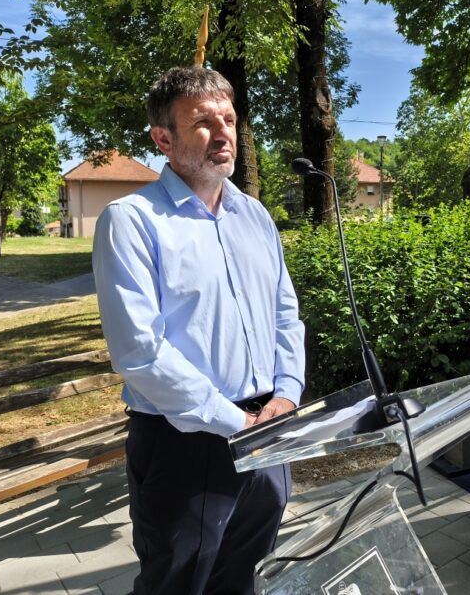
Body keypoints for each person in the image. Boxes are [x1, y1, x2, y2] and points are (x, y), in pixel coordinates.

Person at [93, 66, 306, 595]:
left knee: (246, 574)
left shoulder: (254, 215)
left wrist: (287, 392)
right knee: (178, 581)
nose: (223, 133)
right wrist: (234, 420)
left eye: (228, 119)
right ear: (163, 139)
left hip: (267, 427)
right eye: (203, 123)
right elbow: (140, 350)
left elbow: (284, 313)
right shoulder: (132, 220)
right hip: (185, 441)